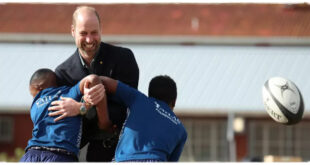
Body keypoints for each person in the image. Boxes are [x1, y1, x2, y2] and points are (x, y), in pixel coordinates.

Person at [53, 6, 139, 161]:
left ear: (101, 29)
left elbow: (130, 105)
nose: (89, 39)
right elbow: (63, 122)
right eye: (83, 33)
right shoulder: (62, 73)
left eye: (94, 32)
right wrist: (84, 106)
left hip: (125, 148)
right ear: (73, 31)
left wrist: (81, 107)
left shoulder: (124, 58)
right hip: (83, 152)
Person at [84, 75, 187, 162]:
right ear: (174, 101)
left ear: (150, 94)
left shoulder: (139, 99)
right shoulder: (181, 130)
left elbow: (100, 80)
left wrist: (104, 122)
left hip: (125, 160)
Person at [20, 68, 110, 162]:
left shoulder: (35, 104)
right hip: (61, 155)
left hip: (31, 155)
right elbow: (93, 79)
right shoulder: (69, 93)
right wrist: (102, 121)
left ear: (38, 88)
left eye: (32, 94)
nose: (34, 97)